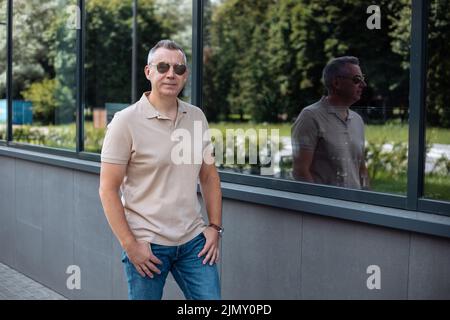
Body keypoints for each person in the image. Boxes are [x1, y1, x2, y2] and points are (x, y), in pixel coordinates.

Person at [99, 40, 222, 300]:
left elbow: (209, 177)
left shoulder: (197, 116)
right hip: (148, 246)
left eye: (178, 69)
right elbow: (108, 190)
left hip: (193, 243)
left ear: (185, 75)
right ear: (148, 72)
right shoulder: (125, 122)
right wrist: (130, 245)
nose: (171, 74)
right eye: (163, 66)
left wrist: (215, 227)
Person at [291, 56, 370, 189]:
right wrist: (319, 205)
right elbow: (300, 172)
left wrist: (368, 201)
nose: (363, 85)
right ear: (336, 83)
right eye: (357, 79)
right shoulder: (310, 116)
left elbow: (361, 169)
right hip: (327, 208)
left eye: (363, 79)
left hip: (354, 206)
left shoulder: (357, 120)